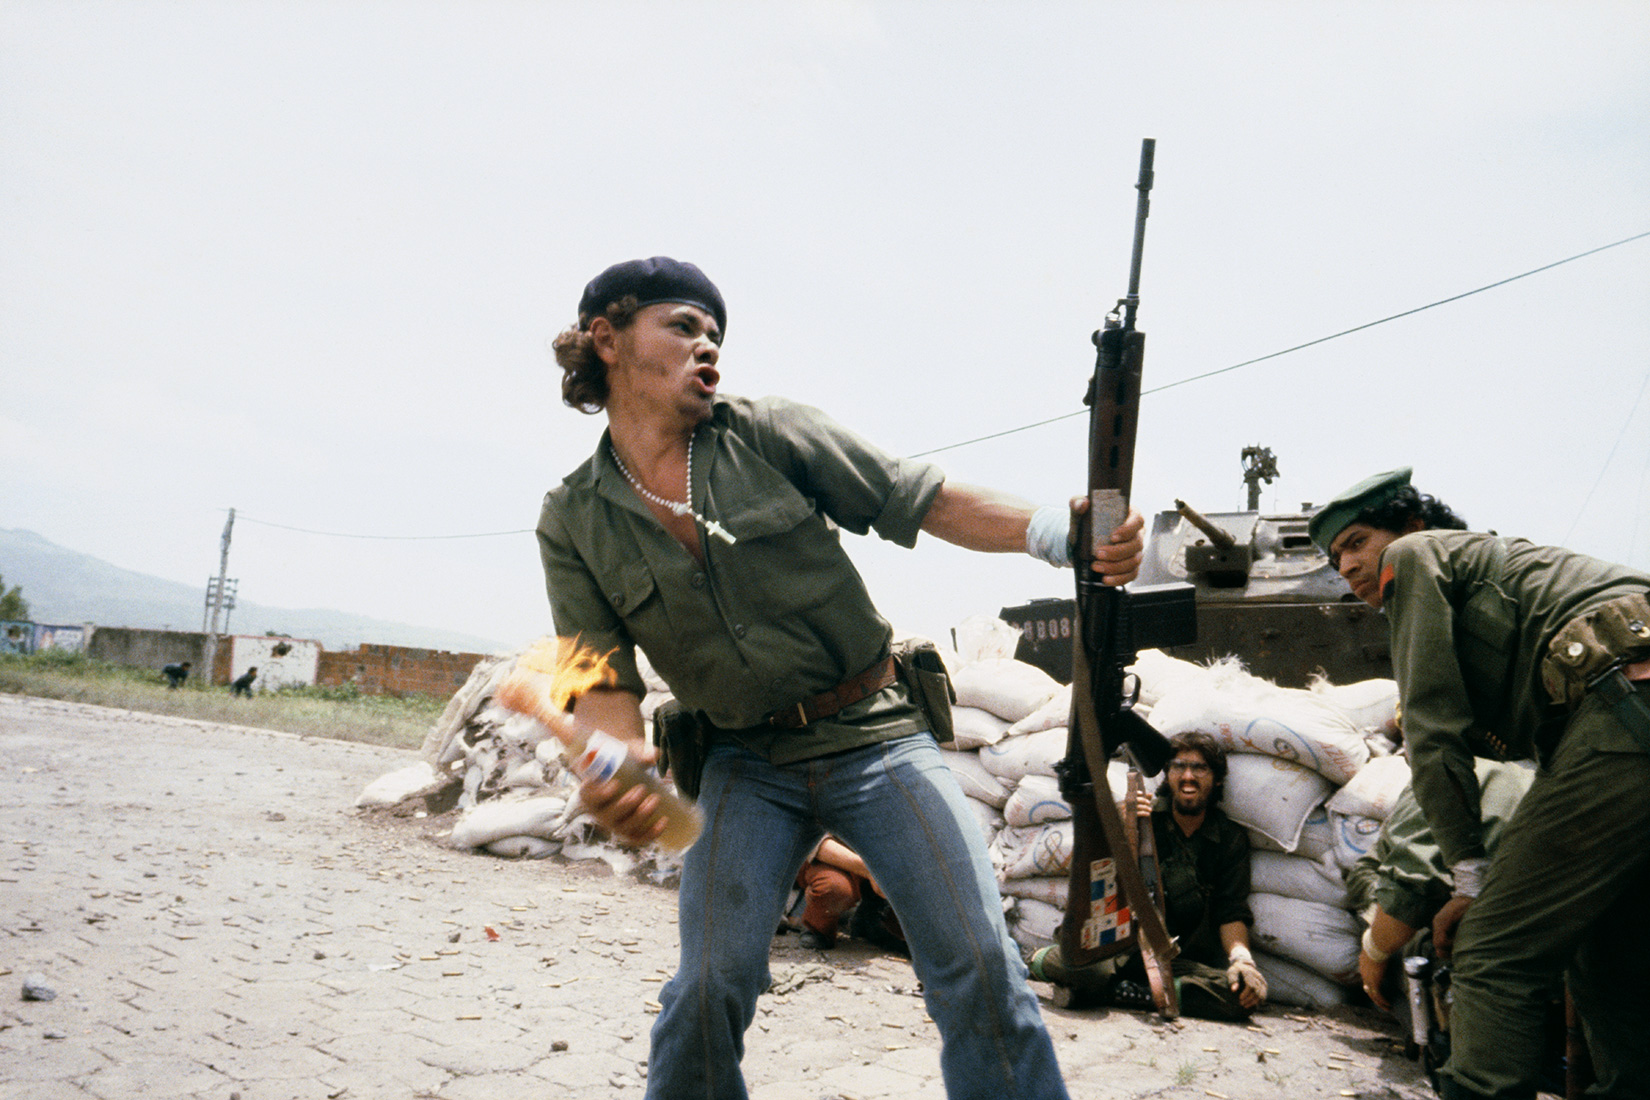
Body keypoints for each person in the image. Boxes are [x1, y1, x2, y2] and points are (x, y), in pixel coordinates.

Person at [537, 257, 1144, 1100]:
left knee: (977, 964)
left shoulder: (769, 432)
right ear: (606, 339)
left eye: (716, 334)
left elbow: (917, 497)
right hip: (744, 766)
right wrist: (616, 764)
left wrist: (1057, 532)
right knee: (708, 988)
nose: (708, 345)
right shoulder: (571, 519)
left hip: (876, 736)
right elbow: (598, 676)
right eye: (683, 327)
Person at [1310, 466, 1650, 1100]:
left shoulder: (1417, 556)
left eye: (1357, 541)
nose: (1346, 567)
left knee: (1494, 948)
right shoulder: (1501, 575)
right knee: (1608, 952)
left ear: (1410, 526)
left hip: (1626, 707)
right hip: (1621, 721)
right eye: (1335, 557)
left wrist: (1470, 877)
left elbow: (1433, 732)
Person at [1029, 731, 1267, 1020]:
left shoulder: (1230, 839)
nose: (1188, 776)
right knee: (1082, 967)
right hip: (1123, 948)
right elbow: (1099, 880)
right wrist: (1118, 827)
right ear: (1167, 776)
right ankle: (1035, 961)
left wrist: (1242, 960)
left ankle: (1109, 993)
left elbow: (1231, 910)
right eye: (1179, 766)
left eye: (1200, 768)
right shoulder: (1141, 817)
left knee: (1238, 995)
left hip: (1176, 957)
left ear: (1216, 780)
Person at [1345, 760, 1535, 1014]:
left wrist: (1373, 951)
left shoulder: (1446, 773)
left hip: (1496, 962)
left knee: (1408, 945)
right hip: (1563, 960)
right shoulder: (1543, 779)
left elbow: (1406, 896)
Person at [784, 834, 906, 954]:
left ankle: (870, 917)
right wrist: (869, 871)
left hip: (878, 853)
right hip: (832, 855)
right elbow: (812, 839)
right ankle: (817, 928)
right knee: (834, 888)